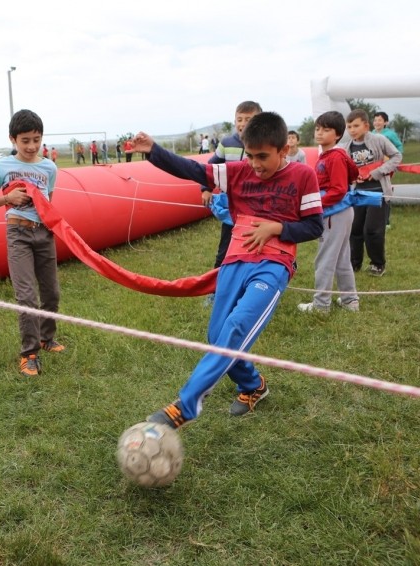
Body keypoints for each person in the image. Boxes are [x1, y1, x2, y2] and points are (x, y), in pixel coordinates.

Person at [130, 112, 323, 423]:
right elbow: (193, 170)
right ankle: (253, 385)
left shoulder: (303, 176)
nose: (255, 164)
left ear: (283, 150)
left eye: (263, 157)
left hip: (273, 264)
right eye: (250, 156)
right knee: (217, 335)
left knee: (236, 328)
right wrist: (154, 150)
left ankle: (184, 407)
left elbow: (314, 226)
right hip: (235, 260)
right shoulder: (237, 172)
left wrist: (275, 228)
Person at [0, 109, 65, 377]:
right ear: (13, 140)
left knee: (51, 292)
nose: (31, 146)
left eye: (36, 140)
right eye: (25, 140)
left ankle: (47, 337)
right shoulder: (2, 166)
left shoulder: (49, 168)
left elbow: (48, 201)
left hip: (44, 233)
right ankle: (29, 353)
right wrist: (10, 198)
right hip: (18, 233)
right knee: (27, 297)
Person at [298, 111, 360, 313]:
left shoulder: (335, 157)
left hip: (335, 213)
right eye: (318, 129)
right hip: (338, 213)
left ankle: (321, 304)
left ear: (338, 135)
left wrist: (313, 203)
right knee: (342, 258)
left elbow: (338, 190)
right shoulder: (327, 155)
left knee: (324, 258)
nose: (320, 133)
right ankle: (350, 301)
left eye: (326, 130)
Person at [202, 101, 263, 307]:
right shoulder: (227, 142)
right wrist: (206, 188)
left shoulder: (264, 144)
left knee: (255, 248)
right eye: (239, 119)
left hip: (258, 210)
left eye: (249, 119)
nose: (243, 123)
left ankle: (252, 290)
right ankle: (215, 291)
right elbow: (211, 166)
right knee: (225, 249)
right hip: (232, 208)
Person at [341, 109, 402, 276]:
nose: (352, 130)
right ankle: (354, 263)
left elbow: (397, 156)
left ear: (366, 126)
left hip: (377, 192)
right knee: (355, 230)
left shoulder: (379, 140)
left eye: (356, 126)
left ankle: (377, 264)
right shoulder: (346, 147)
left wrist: (377, 172)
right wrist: (353, 178)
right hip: (357, 194)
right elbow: (347, 170)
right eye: (349, 126)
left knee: (372, 230)